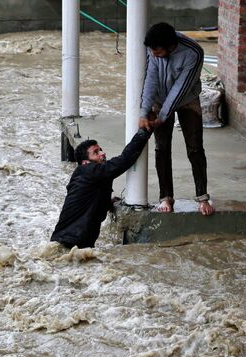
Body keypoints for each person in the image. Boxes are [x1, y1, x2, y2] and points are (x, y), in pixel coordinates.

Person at [138, 22, 215, 216]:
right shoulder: (154, 48)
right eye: (152, 52)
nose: (154, 55)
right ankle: (166, 197)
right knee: (161, 148)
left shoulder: (193, 53)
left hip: (187, 99)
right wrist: (144, 111)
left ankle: (202, 197)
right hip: (159, 99)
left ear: (171, 46)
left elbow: (180, 89)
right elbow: (150, 78)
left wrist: (163, 116)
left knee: (195, 147)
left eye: (158, 52)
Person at [51, 128, 153, 249]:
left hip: (73, 245)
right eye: (96, 152)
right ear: (85, 163)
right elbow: (124, 160)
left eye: (101, 150)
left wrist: (108, 202)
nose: (102, 153)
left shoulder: (89, 177)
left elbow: (87, 202)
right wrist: (144, 132)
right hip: (70, 243)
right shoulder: (89, 171)